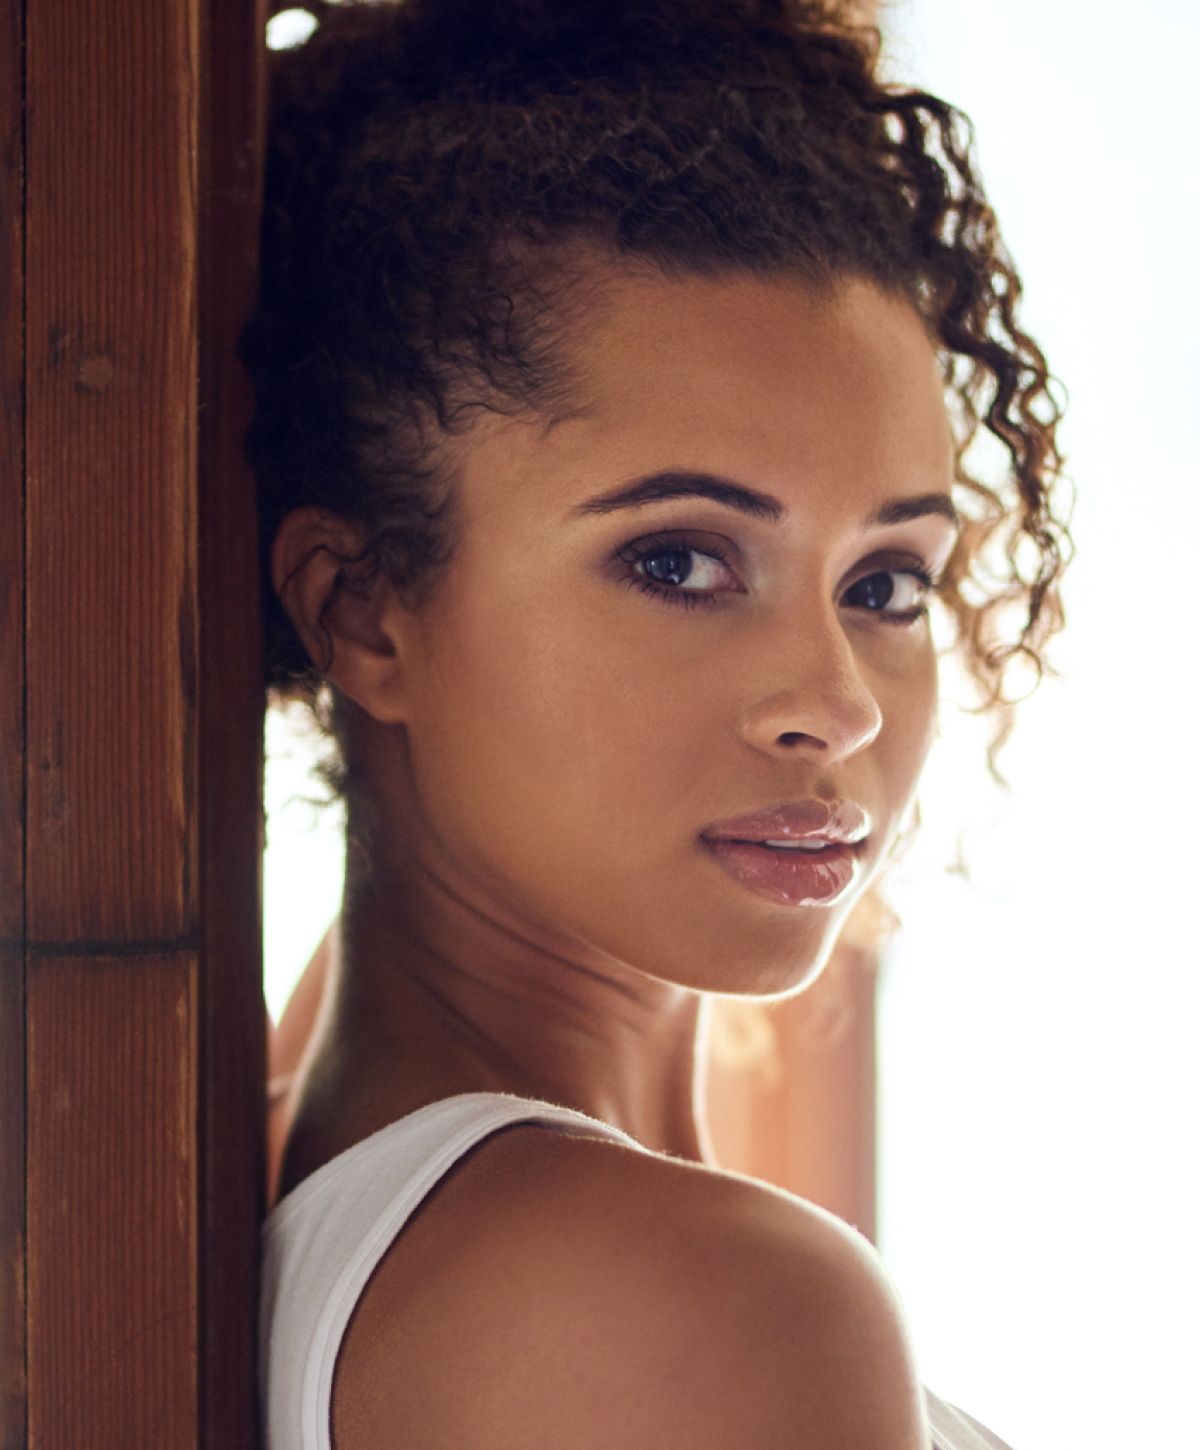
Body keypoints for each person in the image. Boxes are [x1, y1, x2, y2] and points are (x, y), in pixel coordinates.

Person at [245, 1, 1070, 1445]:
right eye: (679, 561)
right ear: (366, 612)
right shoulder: (700, 1303)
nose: (836, 701)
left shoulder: (319, 1146)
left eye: (886, 579)